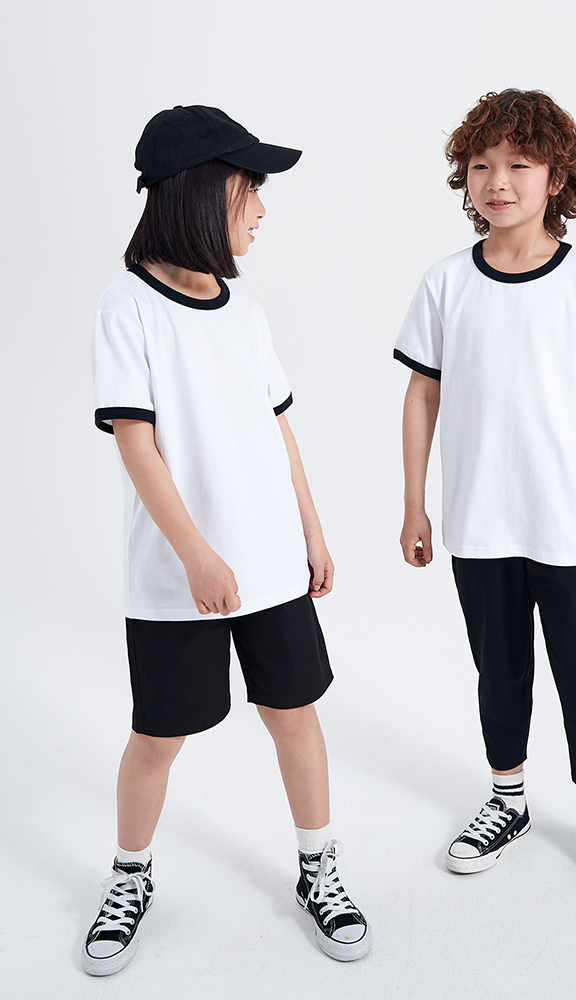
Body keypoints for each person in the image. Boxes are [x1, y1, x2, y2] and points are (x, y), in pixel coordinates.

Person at [83, 105, 370, 976]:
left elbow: (277, 426)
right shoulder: (128, 308)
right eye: (252, 190)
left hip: (274, 565)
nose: (262, 209)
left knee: (295, 715)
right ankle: (130, 876)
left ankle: (317, 866)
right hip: (178, 576)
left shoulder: (244, 311)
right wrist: (198, 555)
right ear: (204, 193)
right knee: (158, 736)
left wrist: (311, 527)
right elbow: (138, 446)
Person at [395, 89, 576, 906]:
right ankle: (507, 799)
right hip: (477, 523)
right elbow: (422, 395)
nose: (497, 181)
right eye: (481, 165)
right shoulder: (446, 283)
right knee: (498, 671)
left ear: (556, 177)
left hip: (566, 525)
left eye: (518, 164)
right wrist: (415, 503)